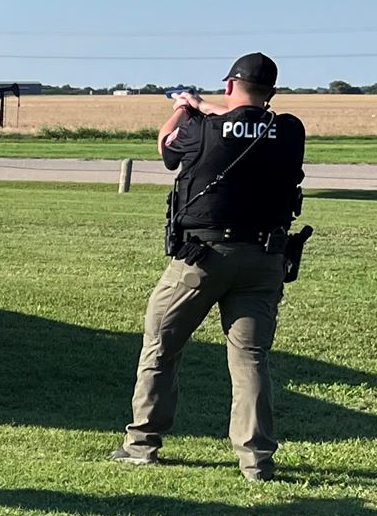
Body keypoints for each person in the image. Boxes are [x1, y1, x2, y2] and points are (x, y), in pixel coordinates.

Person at [115, 52, 307, 481]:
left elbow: (166, 147)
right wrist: (205, 107)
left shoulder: (203, 130)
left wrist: (183, 107)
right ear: (272, 93)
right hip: (265, 260)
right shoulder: (290, 131)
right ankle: (256, 460)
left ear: (228, 86)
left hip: (203, 259)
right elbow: (247, 122)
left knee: (161, 345)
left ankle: (142, 443)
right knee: (251, 359)